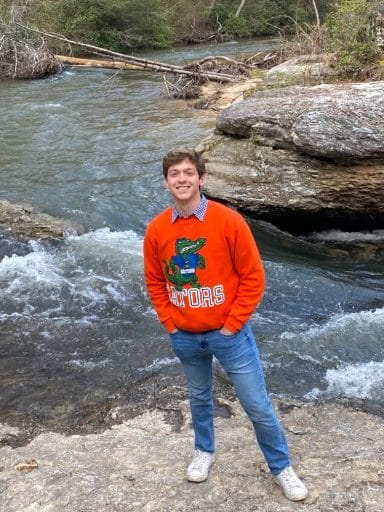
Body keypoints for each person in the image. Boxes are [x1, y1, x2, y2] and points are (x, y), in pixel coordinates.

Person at [143, 148, 308, 502]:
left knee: (257, 405)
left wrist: (232, 325)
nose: (182, 179)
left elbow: (253, 278)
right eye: (175, 174)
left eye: (189, 172)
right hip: (185, 335)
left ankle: (281, 468)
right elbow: (155, 281)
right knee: (199, 397)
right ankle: (204, 451)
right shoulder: (157, 230)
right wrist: (170, 323)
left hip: (230, 336)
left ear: (202, 178)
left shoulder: (229, 221)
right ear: (166, 182)